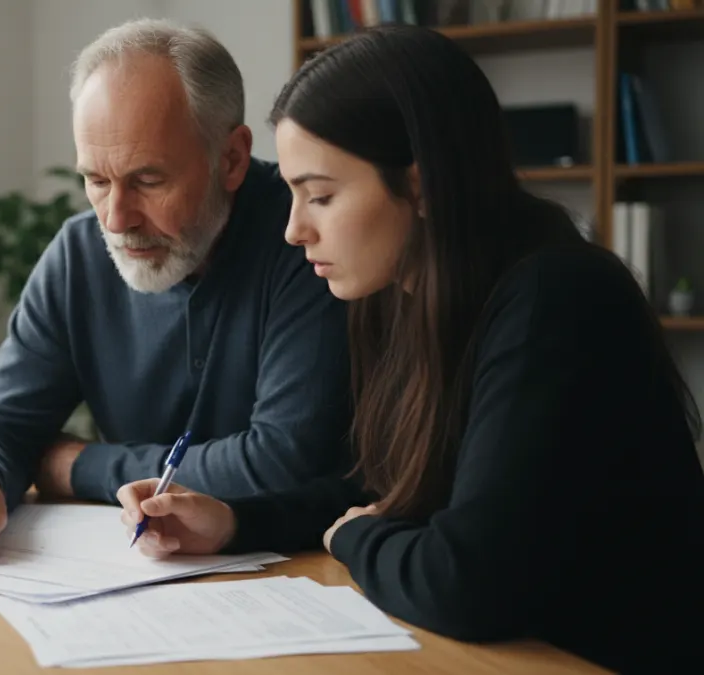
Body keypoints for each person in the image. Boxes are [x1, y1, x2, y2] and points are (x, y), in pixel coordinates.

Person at [115, 25, 704, 674]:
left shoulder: (556, 298)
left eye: (321, 195)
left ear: (419, 187)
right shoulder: (413, 297)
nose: (293, 228)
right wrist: (233, 523)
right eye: (290, 194)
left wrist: (356, 537)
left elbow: (464, 581)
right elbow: (384, 491)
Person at [0, 18, 355, 568]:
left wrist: (76, 466)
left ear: (232, 159)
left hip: (305, 573)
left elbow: (283, 462)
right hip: (133, 579)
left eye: (148, 181)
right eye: (96, 180)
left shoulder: (308, 242)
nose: (116, 220)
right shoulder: (79, 252)